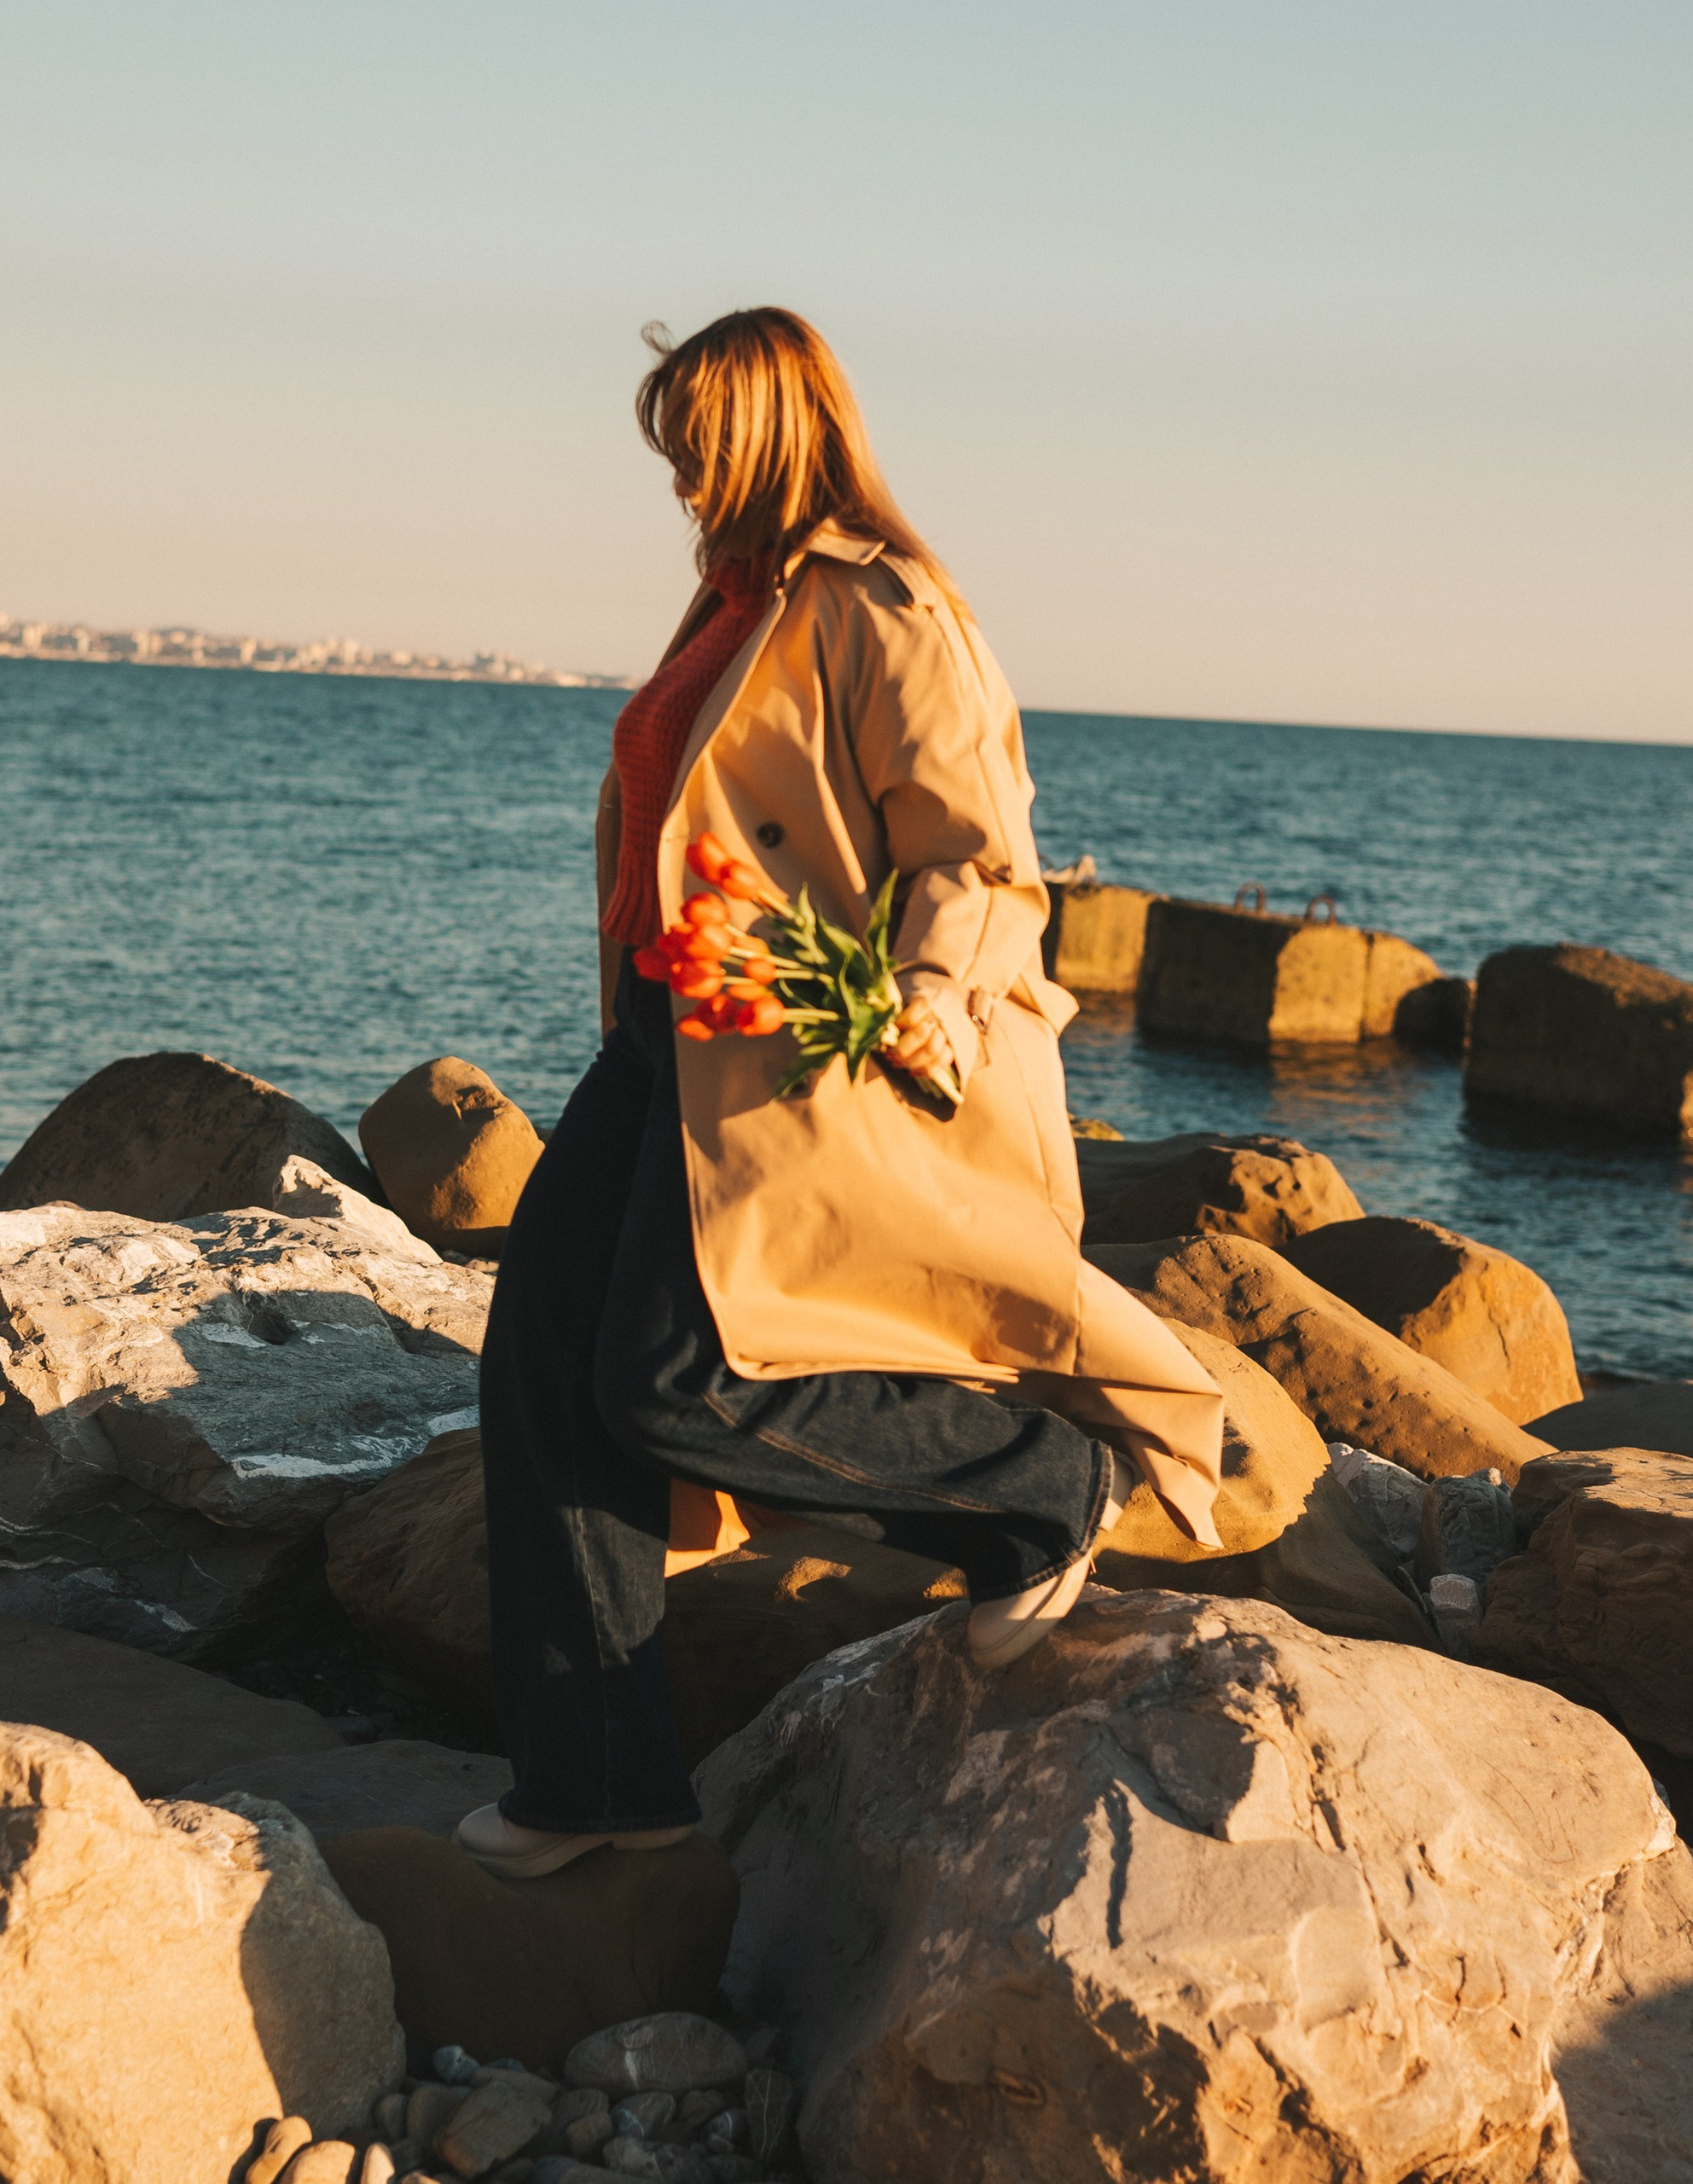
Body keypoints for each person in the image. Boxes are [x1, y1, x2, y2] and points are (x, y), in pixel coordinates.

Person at [456, 308, 1226, 1881]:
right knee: (538, 1367)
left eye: (694, 440)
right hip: (657, 1031)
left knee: (672, 1382)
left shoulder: (883, 607)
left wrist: (932, 999)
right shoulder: (727, 602)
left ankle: (1037, 1486)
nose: (675, 475)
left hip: (780, 1053)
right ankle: (592, 1781)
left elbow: (976, 844)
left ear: (764, 428)